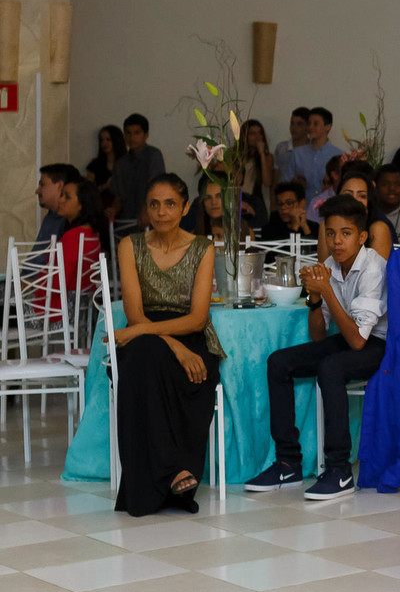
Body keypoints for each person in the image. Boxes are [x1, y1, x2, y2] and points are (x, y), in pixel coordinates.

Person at [247, 193, 387, 500]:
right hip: (349, 337)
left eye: (346, 233)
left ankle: (339, 470)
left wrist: (327, 290)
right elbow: (319, 337)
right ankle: (287, 463)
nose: (336, 241)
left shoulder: (373, 269)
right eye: (331, 233)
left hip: (378, 344)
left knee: (330, 367)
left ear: (362, 237)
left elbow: (358, 341)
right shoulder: (330, 266)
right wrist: (314, 297)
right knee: (278, 362)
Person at [112, 173, 224, 516]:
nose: (162, 212)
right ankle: (174, 469)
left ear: (185, 207)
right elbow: (135, 315)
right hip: (145, 334)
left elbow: (197, 319)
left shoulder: (202, 247)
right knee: (145, 356)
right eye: (154, 204)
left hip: (188, 335)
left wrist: (176, 343)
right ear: (146, 209)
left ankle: (157, 478)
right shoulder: (130, 245)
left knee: (144, 358)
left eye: (170, 204)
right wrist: (174, 347)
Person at [315, 168, 393, 263]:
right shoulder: (327, 224)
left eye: (362, 196)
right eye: (348, 194)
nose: (354, 199)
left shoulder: (378, 228)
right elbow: (323, 267)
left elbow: (376, 270)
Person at [55, 178, 107, 303]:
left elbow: (58, 284)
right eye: (61, 195)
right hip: (85, 305)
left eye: (67, 197)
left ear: (82, 205)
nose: (60, 200)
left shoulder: (72, 237)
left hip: (63, 307)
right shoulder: (92, 233)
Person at [111, 113, 166, 223]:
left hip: (151, 220)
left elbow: (156, 187)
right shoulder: (120, 163)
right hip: (127, 221)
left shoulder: (153, 155)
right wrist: (113, 210)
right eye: (128, 133)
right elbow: (119, 197)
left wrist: (146, 209)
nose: (132, 138)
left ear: (146, 135)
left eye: (137, 133)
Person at [281, 107, 342, 203]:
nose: (311, 127)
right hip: (302, 208)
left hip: (329, 208)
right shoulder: (296, 154)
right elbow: (285, 184)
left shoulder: (338, 155)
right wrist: (296, 183)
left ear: (328, 126)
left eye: (315, 124)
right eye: (309, 123)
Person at [195, 177, 254, 245]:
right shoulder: (195, 235)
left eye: (219, 196)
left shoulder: (245, 233)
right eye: (208, 197)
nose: (214, 202)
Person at [238, 118, 275, 217]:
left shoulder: (268, 157)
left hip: (255, 200)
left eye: (260, 133)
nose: (257, 137)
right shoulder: (236, 156)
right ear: (245, 136)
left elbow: (267, 182)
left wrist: (262, 154)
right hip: (239, 199)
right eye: (252, 133)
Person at [35, 163, 77, 246]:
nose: (37, 191)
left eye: (42, 184)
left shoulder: (69, 222)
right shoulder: (49, 217)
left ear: (60, 186)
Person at [85, 124, 126, 200]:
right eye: (101, 140)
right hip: (101, 204)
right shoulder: (95, 165)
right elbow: (86, 192)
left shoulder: (128, 163)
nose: (104, 143)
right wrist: (105, 186)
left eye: (108, 139)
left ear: (116, 141)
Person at [273, 106, 310, 187]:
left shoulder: (314, 150)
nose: (294, 128)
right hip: (283, 192)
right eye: (292, 123)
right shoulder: (281, 148)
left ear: (308, 127)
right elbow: (275, 178)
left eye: (299, 124)